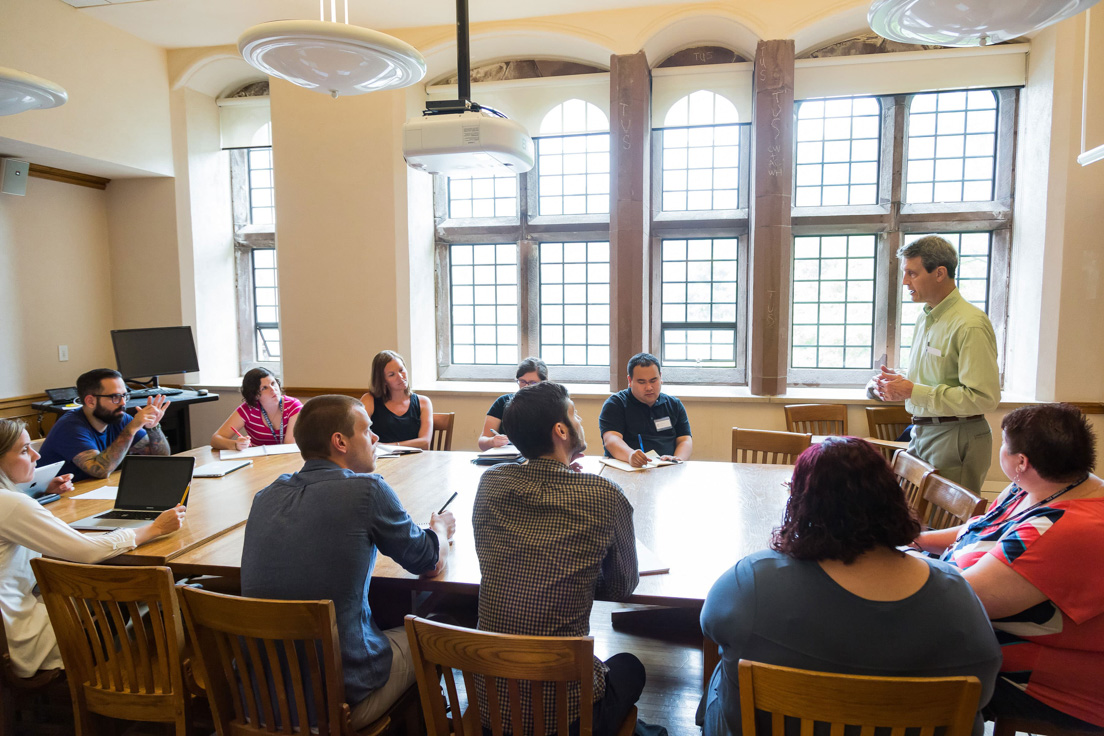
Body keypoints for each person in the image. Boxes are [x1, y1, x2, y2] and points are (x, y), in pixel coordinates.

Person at [700, 437, 1000, 736]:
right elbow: (983, 687)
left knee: (723, 672)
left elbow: (711, 626)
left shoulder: (753, 581)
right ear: (892, 498)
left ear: (800, 503)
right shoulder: (956, 593)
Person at [241, 395, 454, 729]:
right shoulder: (366, 490)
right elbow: (428, 562)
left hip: (259, 703)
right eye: (367, 430)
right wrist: (439, 529)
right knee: (437, 636)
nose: (376, 438)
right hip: (334, 705)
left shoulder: (265, 496)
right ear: (339, 441)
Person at [912, 403, 1104, 730]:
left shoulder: (1064, 529)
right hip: (982, 624)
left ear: (1021, 461)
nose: (1000, 450)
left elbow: (959, 602)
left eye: (1003, 444)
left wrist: (892, 567)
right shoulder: (1041, 484)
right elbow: (979, 529)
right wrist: (914, 540)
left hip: (1040, 678)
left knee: (907, 670)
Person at [473, 381, 644, 736]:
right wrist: (575, 570)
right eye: (575, 413)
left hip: (491, 707)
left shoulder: (490, 484)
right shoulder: (603, 495)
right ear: (561, 430)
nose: (581, 420)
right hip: (564, 720)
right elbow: (622, 586)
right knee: (630, 666)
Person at [0, 418, 185, 677]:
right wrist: (153, 529)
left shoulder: (12, 502)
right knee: (135, 595)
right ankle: (131, 683)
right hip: (21, 635)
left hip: (10, 622)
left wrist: (39, 493)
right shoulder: (11, 504)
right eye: (23, 450)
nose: (36, 454)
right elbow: (87, 551)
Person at [871, 236, 1000, 493]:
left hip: (955, 436)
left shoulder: (969, 324)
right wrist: (892, 384)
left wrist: (911, 391)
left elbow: (984, 398)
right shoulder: (926, 317)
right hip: (923, 431)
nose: (905, 281)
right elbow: (931, 378)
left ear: (940, 273)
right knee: (912, 519)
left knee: (945, 526)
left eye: (912, 273)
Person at [38, 368, 170, 481]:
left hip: (92, 492)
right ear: (90, 401)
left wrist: (153, 427)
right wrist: (132, 429)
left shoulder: (119, 417)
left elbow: (160, 458)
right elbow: (100, 470)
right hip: (60, 501)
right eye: (115, 397)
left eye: (124, 395)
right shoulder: (70, 427)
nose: (123, 403)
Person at [599, 353, 692, 467]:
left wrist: (677, 459)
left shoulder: (674, 404)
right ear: (630, 380)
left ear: (660, 377)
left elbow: (684, 440)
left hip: (667, 468)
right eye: (642, 382)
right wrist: (630, 455)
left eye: (653, 380)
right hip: (627, 467)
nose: (649, 387)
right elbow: (611, 439)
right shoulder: (616, 404)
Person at [210, 367, 302, 451]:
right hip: (259, 462)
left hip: (287, 460)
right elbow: (215, 439)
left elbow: (290, 446)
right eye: (264, 388)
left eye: (273, 383)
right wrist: (236, 444)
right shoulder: (248, 409)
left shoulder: (293, 406)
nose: (273, 389)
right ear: (255, 395)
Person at [360, 351, 433, 450]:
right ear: (383, 380)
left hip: (415, 460)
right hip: (380, 460)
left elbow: (425, 443)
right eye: (391, 375)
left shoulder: (423, 402)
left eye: (401, 370)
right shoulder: (369, 400)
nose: (400, 377)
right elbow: (358, 433)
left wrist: (387, 446)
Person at [477, 357, 548, 451]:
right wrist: (492, 441)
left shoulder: (551, 405)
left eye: (532, 382)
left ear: (543, 383)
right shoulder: (502, 402)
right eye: (522, 381)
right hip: (506, 458)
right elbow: (482, 442)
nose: (526, 386)